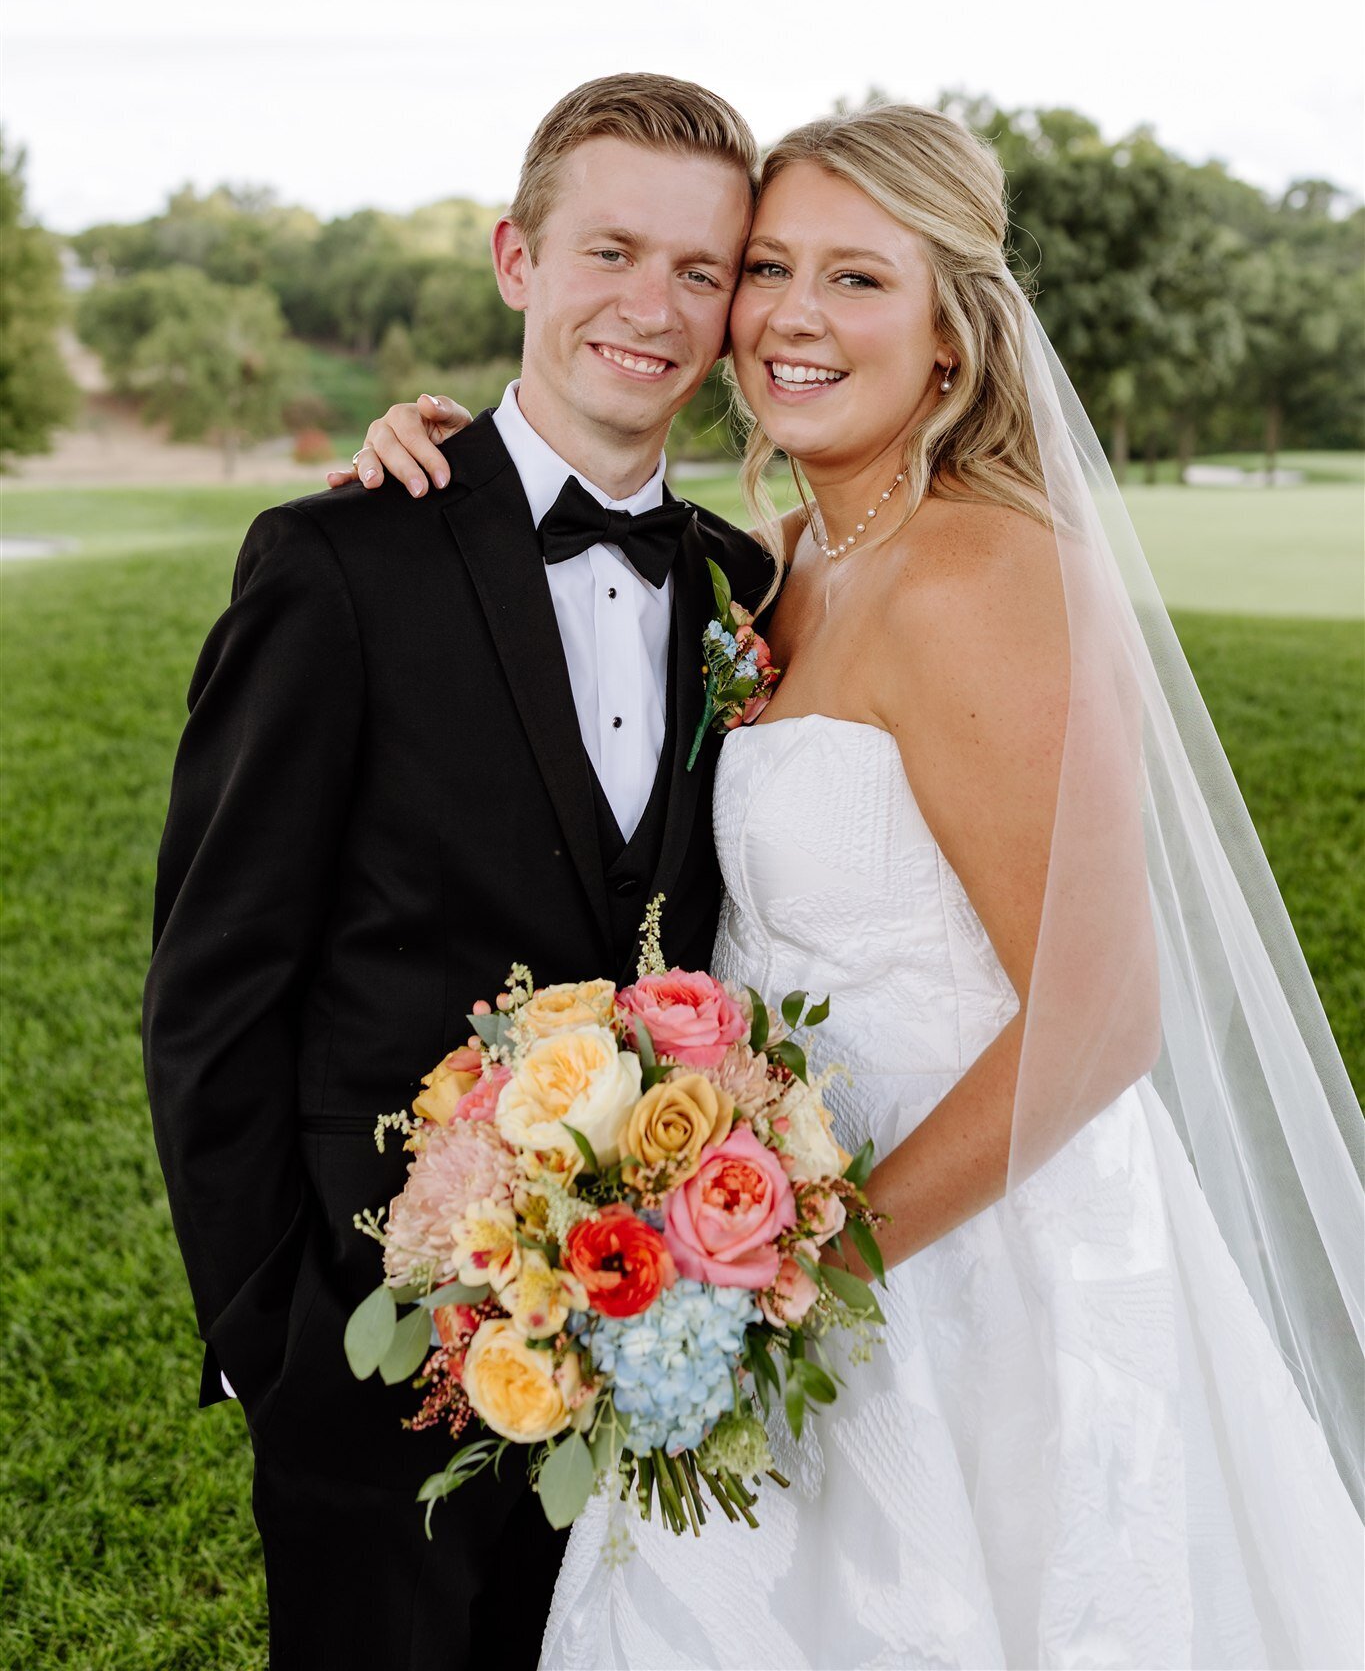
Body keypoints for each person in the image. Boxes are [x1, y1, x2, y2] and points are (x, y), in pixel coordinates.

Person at [350, 100, 1364, 1669]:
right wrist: (439, 460)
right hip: (761, 1224)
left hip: (972, 1266)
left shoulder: (981, 572)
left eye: (858, 280)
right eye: (767, 268)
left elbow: (1098, 1018)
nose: (792, 318)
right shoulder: (777, 567)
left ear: (952, 336)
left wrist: (801, 1277)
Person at [141, 73, 773, 1671]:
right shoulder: (338, 561)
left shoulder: (747, 592)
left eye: (699, 270)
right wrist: (266, 1341)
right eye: (609, 251)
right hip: (371, 1353)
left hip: (656, 1355)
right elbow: (213, 983)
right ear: (515, 261)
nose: (653, 305)